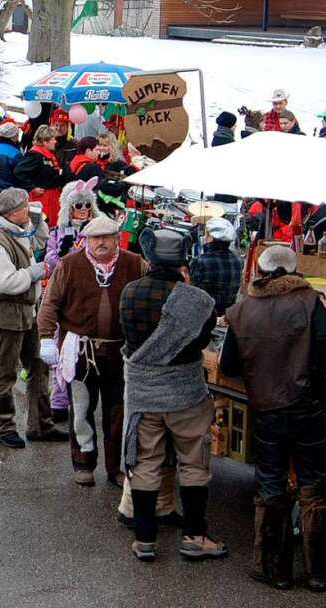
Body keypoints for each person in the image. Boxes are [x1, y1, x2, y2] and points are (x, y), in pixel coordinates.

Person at [221, 245, 326, 592]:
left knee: (270, 485)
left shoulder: (243, 309)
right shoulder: (309, 300)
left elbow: (228, 364)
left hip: (268, 409)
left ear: (259, 269)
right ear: (293, 269)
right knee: (315, 486)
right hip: (308, 407)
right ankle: (319, 572)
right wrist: (313, 376)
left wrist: (261, 375)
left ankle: (275, 570)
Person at [120, 229, 223, 562]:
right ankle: (195, 536)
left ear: (149, 258)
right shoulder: (199, 301)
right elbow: (202, 341)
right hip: (185, 393)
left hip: (144, 394)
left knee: (146, 462)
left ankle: (145, 538)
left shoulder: (129, 293)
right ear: (183, 261)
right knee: (194, 462)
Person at [38, 215, 144, 486]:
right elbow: (50, 304)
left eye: (106, 237)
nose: (100, 243)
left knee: (117, 413)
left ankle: (114, 467)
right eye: (95, 238)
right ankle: (83, 463)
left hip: (120, 353)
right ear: (86, 240)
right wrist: (46, 338)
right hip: (81, 352)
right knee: (82, 411)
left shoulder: (134, 264)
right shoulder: (70, 265)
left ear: (116, 239)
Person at [0, 188, 62, 448]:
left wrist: (38, 221)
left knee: (38, 367)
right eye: (26, 207)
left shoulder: (18, 230)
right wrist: (36, 271)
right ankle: (4, 427)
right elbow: (5, 282)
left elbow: (39, 243)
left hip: (28, 310)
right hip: (7, 313)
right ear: (13, 212)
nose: (30, 210)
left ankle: (41, 425)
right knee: (5, 373)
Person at [14, 125, 68, 227]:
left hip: (53, 197)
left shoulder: (48, 154)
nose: (55, 142)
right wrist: (32, 188)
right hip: (42, 198)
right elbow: (19, 172)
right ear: (44, 141)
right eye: (53, 139)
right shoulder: (35, 155)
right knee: (41, 225)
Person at [44, 178, 99, 274]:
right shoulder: (56, 232)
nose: (84, 209)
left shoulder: (97, 229)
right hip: (66, 279)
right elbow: (50, 264)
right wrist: (62, 251)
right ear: (69, 209)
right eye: (78, 205)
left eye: (88, 205)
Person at [189, 217, 242, 315]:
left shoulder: (200, 261)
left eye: (206, 234)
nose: (204, 237)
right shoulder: (238, 260)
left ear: (211, 237)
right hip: (227, 313)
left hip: (204, 314)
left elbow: (191, 291)